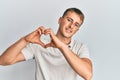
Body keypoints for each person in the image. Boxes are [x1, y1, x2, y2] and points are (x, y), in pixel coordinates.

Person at [0, 8, 93, 80]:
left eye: (76, 24)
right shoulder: (40, 43)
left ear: (77, 29)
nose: (71, 26)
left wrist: (61, 46)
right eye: (69, 20)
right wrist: (24, 40)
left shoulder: (80, 47)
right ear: (60, 20)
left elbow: (87, 75)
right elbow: (3, 61)